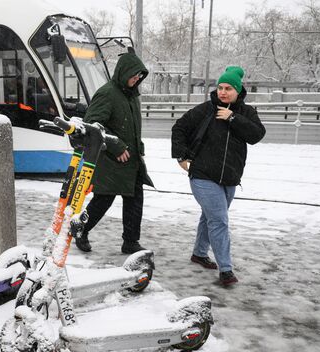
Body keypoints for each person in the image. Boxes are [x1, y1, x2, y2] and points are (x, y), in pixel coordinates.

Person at [171, 66, 266, 286]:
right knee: (219, 220)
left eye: (228, 88)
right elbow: (179, 127)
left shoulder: (246, 113)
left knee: (210, 216)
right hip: (203, 175)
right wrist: (181, 157)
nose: (223, 92)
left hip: (230, 177)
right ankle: (226, 270)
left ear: (238, 91)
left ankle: (199, 253)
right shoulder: (206, 109)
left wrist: (233, 118)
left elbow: (257, 135)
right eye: (220, 87)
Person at [75, 50, 154, 255]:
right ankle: (80, 230)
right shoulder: (107, 93)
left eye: (139, 76)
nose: (136, 79)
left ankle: (130, 241)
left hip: (132, 160)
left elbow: (132, 126)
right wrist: (116, 145)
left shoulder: (132, 95)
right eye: (133, 75)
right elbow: (92, 124)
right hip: (112, 159)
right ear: (123, 72)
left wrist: (139, 147)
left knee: (135, 200)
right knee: (103, 200)